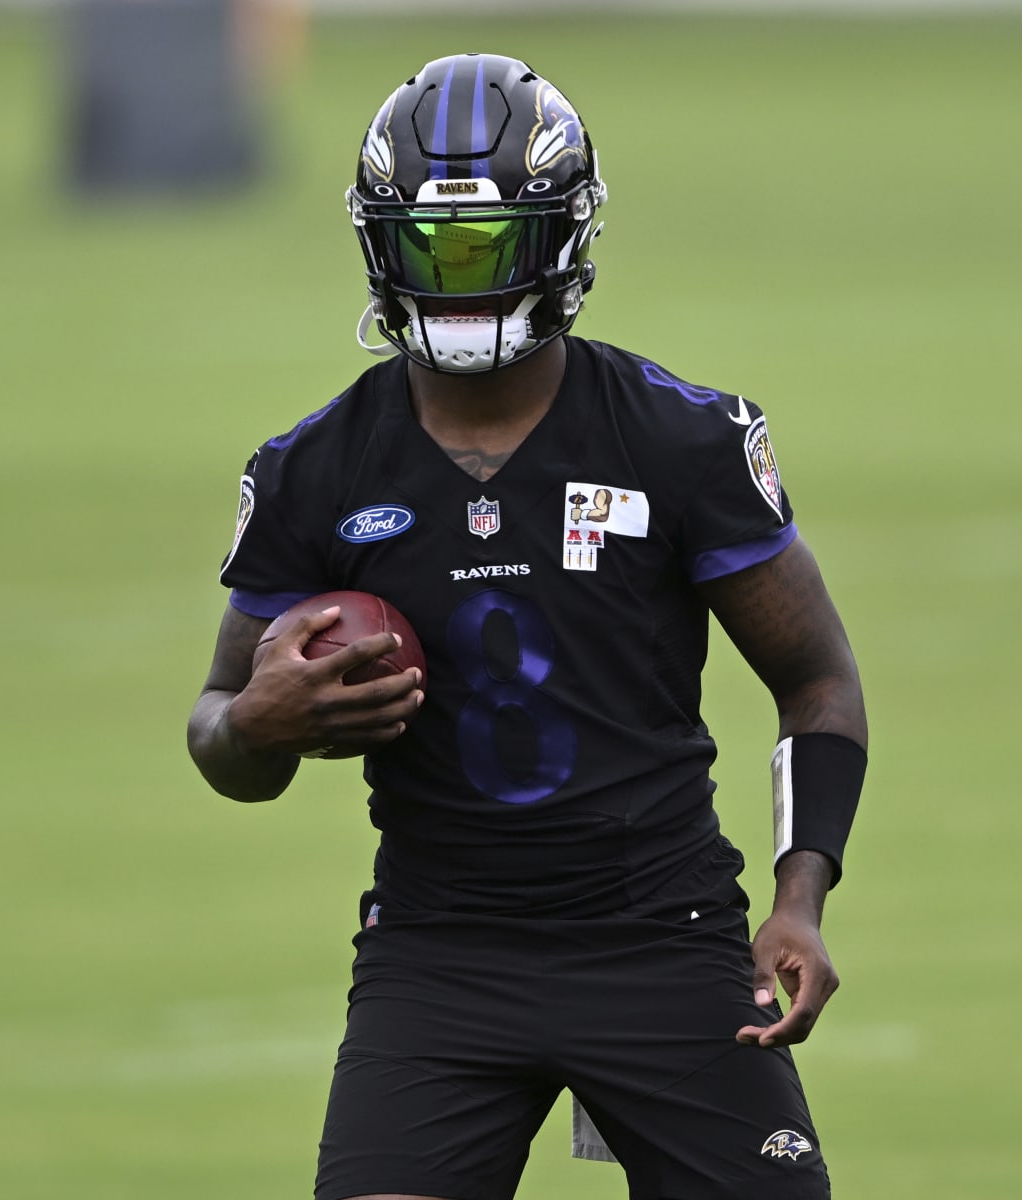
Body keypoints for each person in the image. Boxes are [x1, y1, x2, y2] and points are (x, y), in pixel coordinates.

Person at [187, 52, 868, 1200]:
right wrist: (259, 722)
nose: (454, 282)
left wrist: (799, 900)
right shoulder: (315, 470)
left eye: (488, 247)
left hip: (664, 928)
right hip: (439, 950)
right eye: (428, 248)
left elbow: (817, 680)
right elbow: (219, 737)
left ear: (559, 239)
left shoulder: (677, 440)